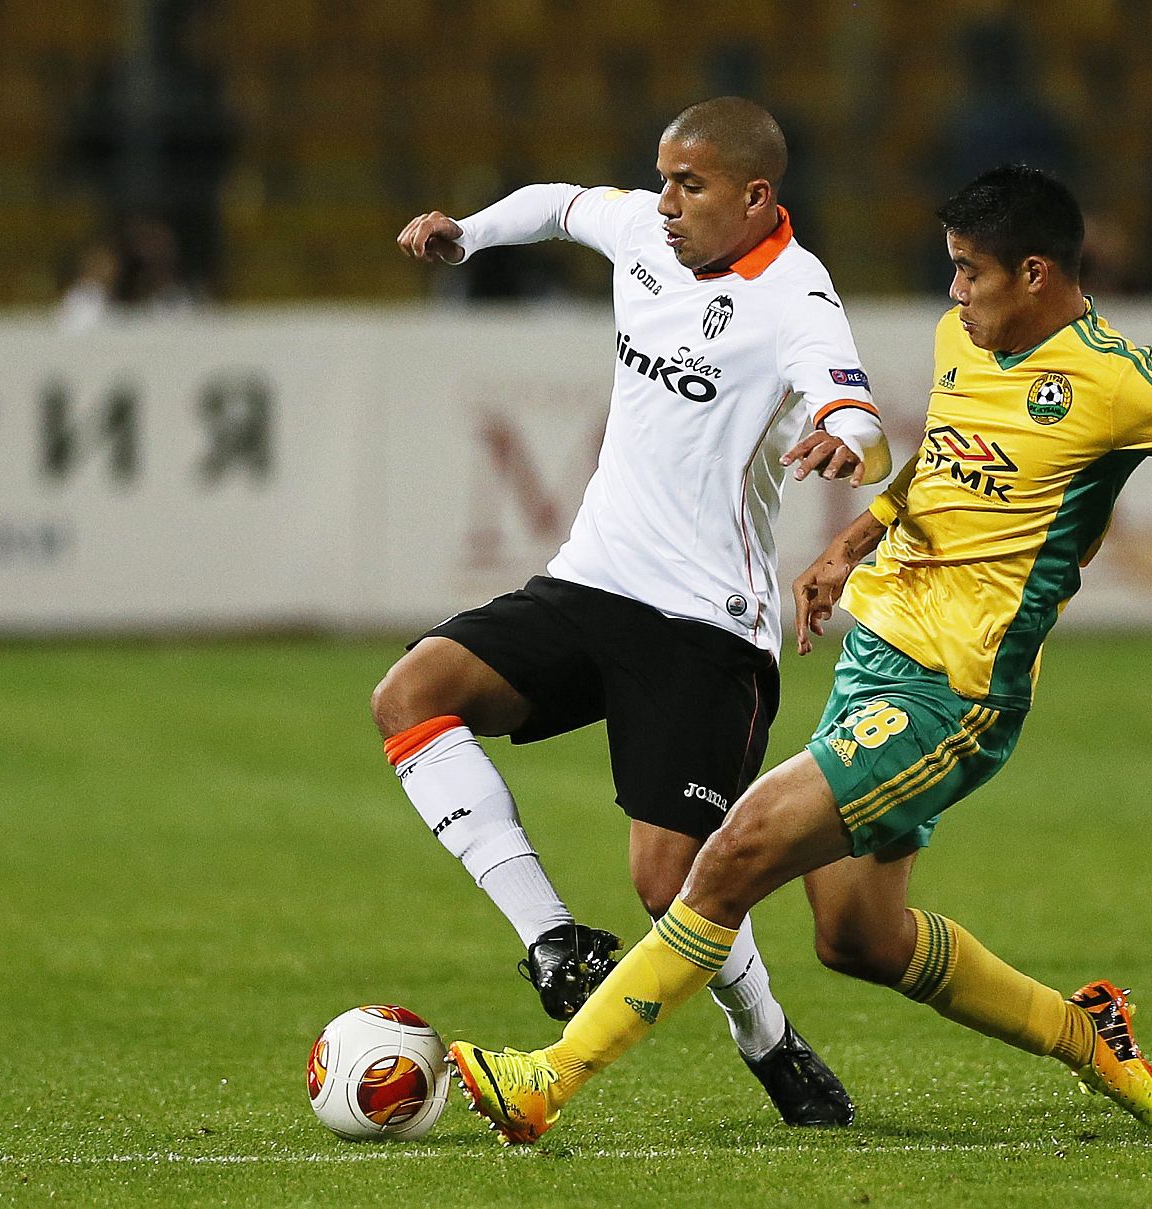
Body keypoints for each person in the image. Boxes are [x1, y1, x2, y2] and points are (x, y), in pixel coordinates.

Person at [443, 164, 1152, 1144]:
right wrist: (853, 540)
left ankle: (547, 1085)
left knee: (729, 856)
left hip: (952, 695)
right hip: (877, 660)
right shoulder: (967, 346)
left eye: (969, 271)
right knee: (857, 938)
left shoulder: (1116, 380)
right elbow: (940, 466)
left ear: (1035, 272)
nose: (953, 293)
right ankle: (1088, 1033)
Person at [376, 97, 892, 1128]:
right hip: (589, 582)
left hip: (707, 624)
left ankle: (770, 1042)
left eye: (688, 186)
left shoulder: (794, 295)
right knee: (412, 694)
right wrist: (469, 232)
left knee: (670, 883)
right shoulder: (643, 238)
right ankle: (549, 939)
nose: (663, 204)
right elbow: (562, 205)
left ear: (754, 196)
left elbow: (854, 405)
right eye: (660, 178)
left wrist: (846, 434)